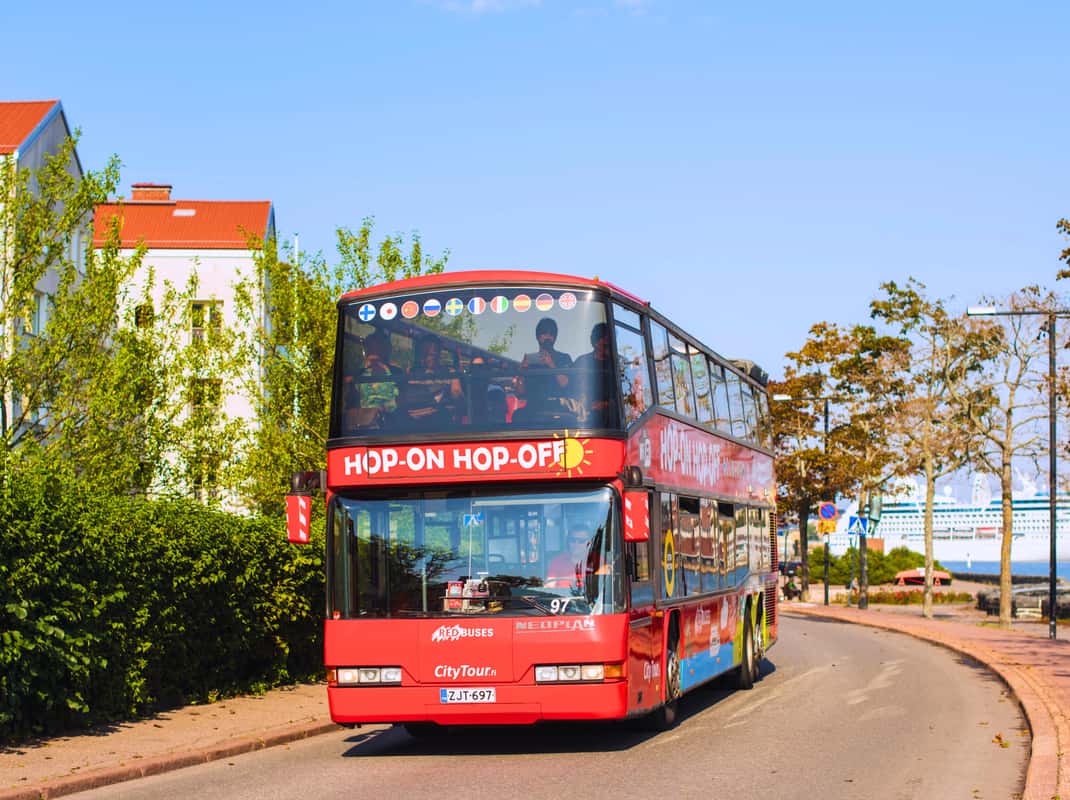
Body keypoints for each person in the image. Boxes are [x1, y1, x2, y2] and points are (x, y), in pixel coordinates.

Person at [356, 330, 402, 425]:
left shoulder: (396, 372)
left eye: (378, 348)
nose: (374, 352)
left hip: (393, 422)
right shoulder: (359, 374)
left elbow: (402, 399)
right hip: (365, 423)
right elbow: (352, 403)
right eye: (371, 348)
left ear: (386, 351)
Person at [572, 322, 612, 417]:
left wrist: (606, 404)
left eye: (608, 340)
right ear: (595, 342)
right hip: (585, 413)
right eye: (603, 339)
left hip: (612, 415)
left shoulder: (618, 363)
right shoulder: (582, 361)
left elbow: (624, 395)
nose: (606, 342)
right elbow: (572, 387)